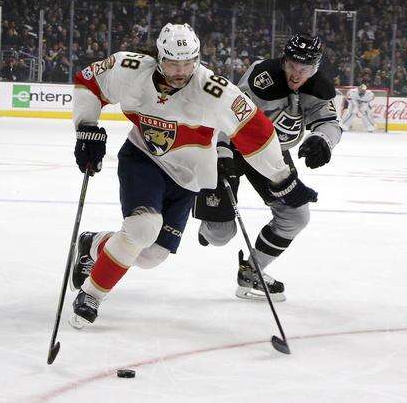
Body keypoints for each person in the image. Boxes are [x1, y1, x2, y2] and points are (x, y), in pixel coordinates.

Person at [68, 24, 318, 328]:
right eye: (173, 63)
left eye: (188, 63)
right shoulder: (130, 69)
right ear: (159, 57)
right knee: (143, 228)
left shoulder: (213, 91)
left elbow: (256, 131)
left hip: (188, 177)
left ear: (197, 58)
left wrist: (282, 178)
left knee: (151, 255)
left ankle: (93, 244)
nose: (180, 71)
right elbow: (90, 81)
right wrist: (87, 127)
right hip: (143, 159)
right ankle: (91, 295)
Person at [194, 33, 342, 302]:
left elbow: (330, 122)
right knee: (219, 235)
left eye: (305, 69)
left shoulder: (319, 87)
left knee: (296, 216)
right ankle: (207, 221)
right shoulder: (262, 76)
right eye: (292, 66)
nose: (297, 74)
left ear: (316, 67)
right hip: (235, 147)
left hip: (272, 155)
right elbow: (229, 113)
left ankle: (252, 271)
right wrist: (222, 151)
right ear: (284, 60)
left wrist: (323, 140)